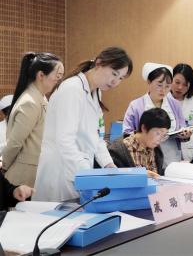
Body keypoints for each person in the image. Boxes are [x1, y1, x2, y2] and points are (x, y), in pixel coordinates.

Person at [34, 47, 133, 201]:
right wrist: (87, 173)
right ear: (99, 63)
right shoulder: (72, 89)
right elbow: (65, 141)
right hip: (60, 172)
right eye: (114, 73)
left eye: (121, 78)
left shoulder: (96, 92)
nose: (115, 82)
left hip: (78, 171)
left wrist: (109, 165)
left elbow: (97, 136)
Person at [2, 53, 63, 190]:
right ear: (41, 75)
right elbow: (15, 143)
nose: (58, 80)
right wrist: (3, 167)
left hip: (36, 172)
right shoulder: (30, 102)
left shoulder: (40, 98)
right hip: (22, 176)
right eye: (57, 75)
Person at [122, 63, 189, 164]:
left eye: (167, 86)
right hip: (144, 156)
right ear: (149, 82)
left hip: (171, 155)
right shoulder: (135, 106)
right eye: (159, 85)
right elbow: (126, 134)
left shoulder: (175, 104)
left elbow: (182, 128)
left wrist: (184, 135)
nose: (163, 90)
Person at [108, 107, 170, 177]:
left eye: (164, 135)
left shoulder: (156, 149)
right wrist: (139, 174)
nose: (160, 139)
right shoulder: (117, 151)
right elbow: (114, 178)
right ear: (144, 128)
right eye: (158, 133)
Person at [170, 63, 193, 162]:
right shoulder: (164, 100)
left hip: (189, 150)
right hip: (168, 150)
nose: (180, 87)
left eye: (185, 84)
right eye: (177, 82)